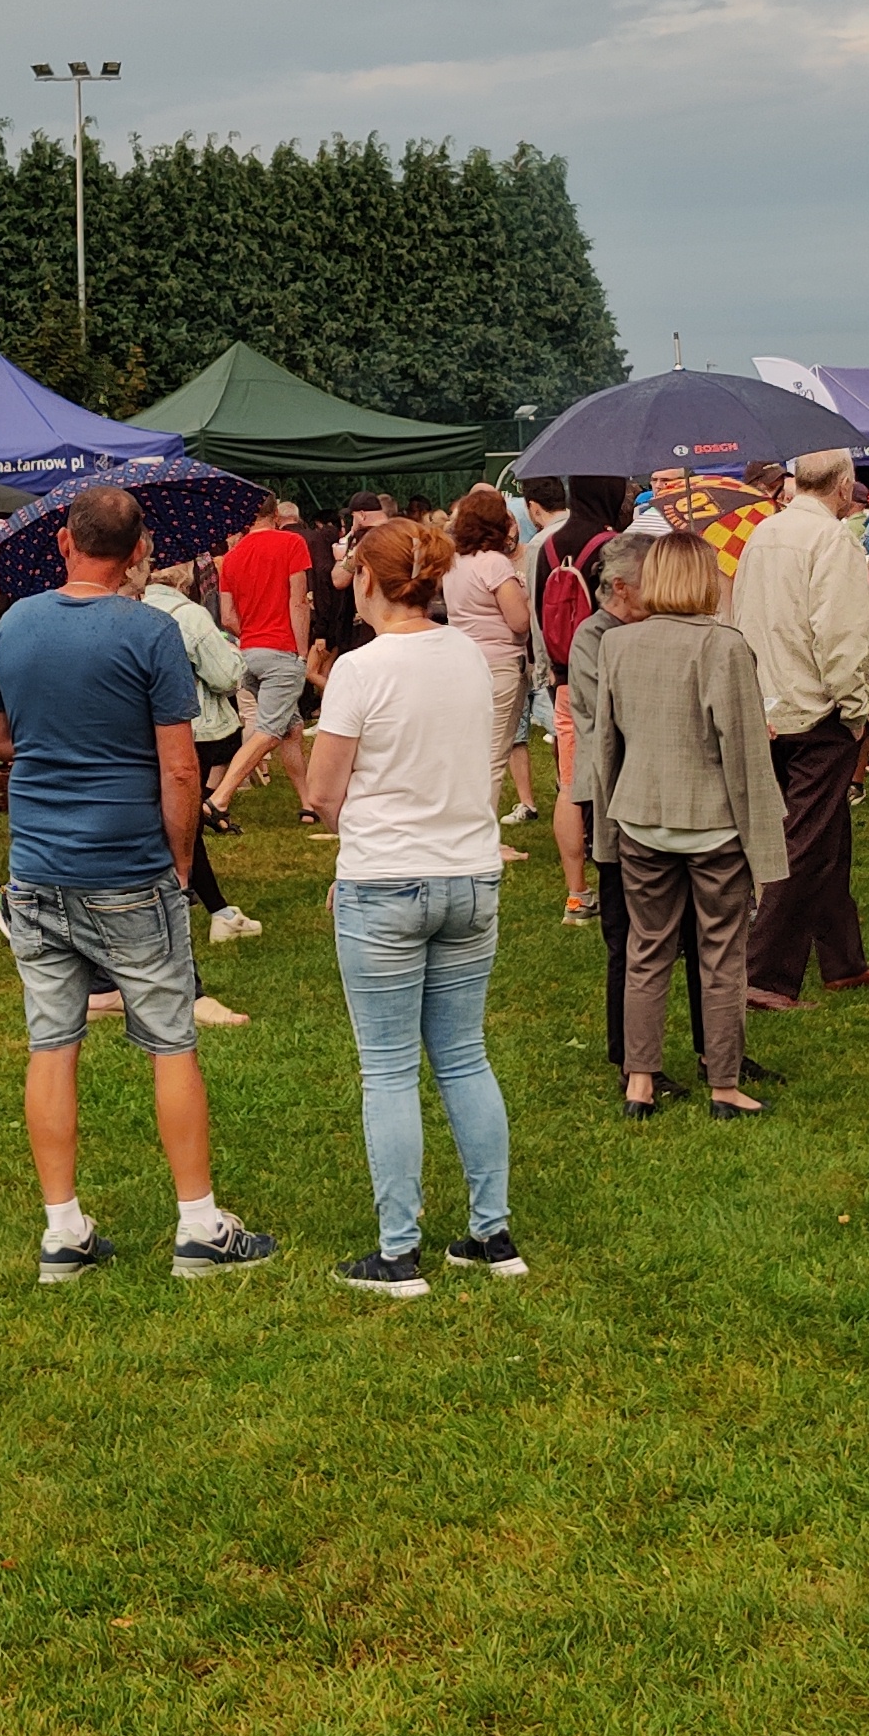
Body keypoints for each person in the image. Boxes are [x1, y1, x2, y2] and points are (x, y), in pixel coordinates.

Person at [0, 481, 271, 1286]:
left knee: (52, 1042)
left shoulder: (17, 625)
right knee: (170, 1039)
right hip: (128, 863)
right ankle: (199, 1226)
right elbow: (181, 764)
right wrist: (180, 862)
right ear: (139, 552)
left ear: (65, 543)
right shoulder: (150, 633)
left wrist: (50, 743)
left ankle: (63, 1233)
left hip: (37, 867)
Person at [302, 509, 521, 1294]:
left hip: (387, 880)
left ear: (366, 578)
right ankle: (492, 1235)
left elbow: (324, 793)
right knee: (464, 1055)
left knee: (389, 1069)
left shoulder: (362, 669)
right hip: (469, 872)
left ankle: (399, 1253)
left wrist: (355, 837)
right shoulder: (467, 652)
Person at [579, 531, 778, 1122]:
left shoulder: (619, 645)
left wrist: (606, 835)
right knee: (721, 955)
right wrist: (765, 851)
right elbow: (745, 757)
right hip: (712, 824)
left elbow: (605, 749)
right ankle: (723, 1085)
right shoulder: (725, 647)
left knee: (646, 951)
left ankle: (639, 1081)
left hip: (640, 817)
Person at [730, 447, 869, 1011]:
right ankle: (763, 975)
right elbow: (842, 637)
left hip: (770, 703)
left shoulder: (762, 534)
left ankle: (843, 961)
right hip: (817, 709)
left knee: (825, 838)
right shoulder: (832, 541)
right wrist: (858, 713)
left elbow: (742, 618)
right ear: (845, 485)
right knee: (803, 843)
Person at [140, 557, 258, 943]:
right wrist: (234, 652)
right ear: (183, 575)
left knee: (166, 813)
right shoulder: (187, 615)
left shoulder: (124, 610)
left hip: (142, 728)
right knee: (184, 819)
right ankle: (211, 905)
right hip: (196, 728)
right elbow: (226, 675)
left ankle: (201, 900)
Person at [209, 496, 316, 830]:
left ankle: (308, 803)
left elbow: (227, 617)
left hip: (248, 654)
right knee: (268, 731)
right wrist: (300, 651)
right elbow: (298, 601)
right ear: (276, 515)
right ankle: (218, 800)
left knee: (291, 729)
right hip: (282, 652)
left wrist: (253, 634)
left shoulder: (231, 559)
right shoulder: (292, 543)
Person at [442, 487, 540, 833]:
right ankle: (484, 838)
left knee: (471, 750)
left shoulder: (453, 564)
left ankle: (460, 824)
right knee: (495, 755)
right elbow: (519, 621)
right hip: (500, 664)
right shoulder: (495, 564)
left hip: (464, 663)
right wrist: (526, 595)